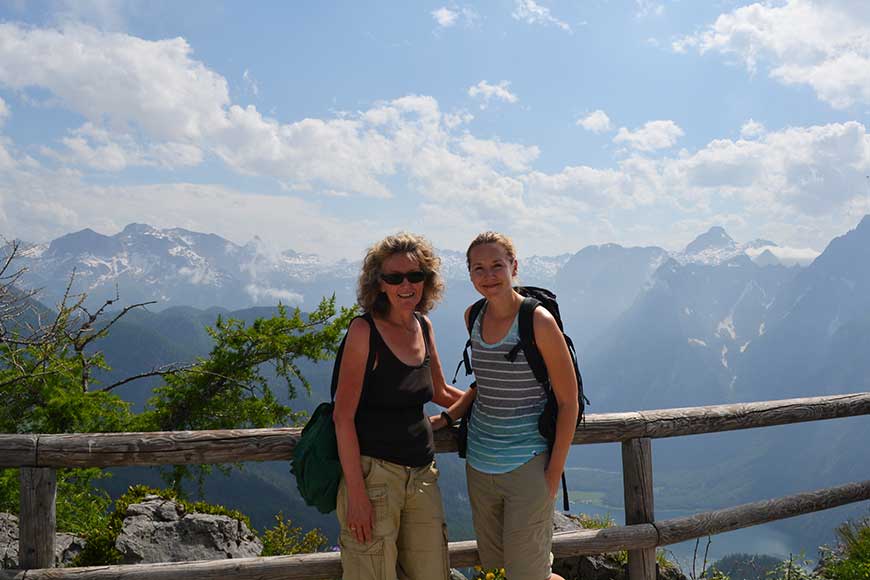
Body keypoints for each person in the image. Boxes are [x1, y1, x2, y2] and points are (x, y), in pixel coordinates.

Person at [432, 231, 579, 580]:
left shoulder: (538, 321)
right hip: (480, 464)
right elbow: (484, 382)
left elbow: (568, 400)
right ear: (469, 274)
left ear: (514, 266)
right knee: (503, 564)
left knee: (528, 573)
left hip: (527, 465)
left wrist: (552, 474)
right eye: (478, 268)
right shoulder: (474, 316)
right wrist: (449, 415)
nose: (488, 275)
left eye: (497, 265)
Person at [333, 232, 464, 580]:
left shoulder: (423, 325)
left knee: (433, 573)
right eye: (394, 277)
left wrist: (490, 394)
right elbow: (342, 417)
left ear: (427, 280)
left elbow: (439, 390)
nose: (406, 284)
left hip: (422, 474)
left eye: (415, 275)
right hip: (373, 475)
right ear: (380, 284)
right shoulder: (364, 332)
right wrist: (357, 496)